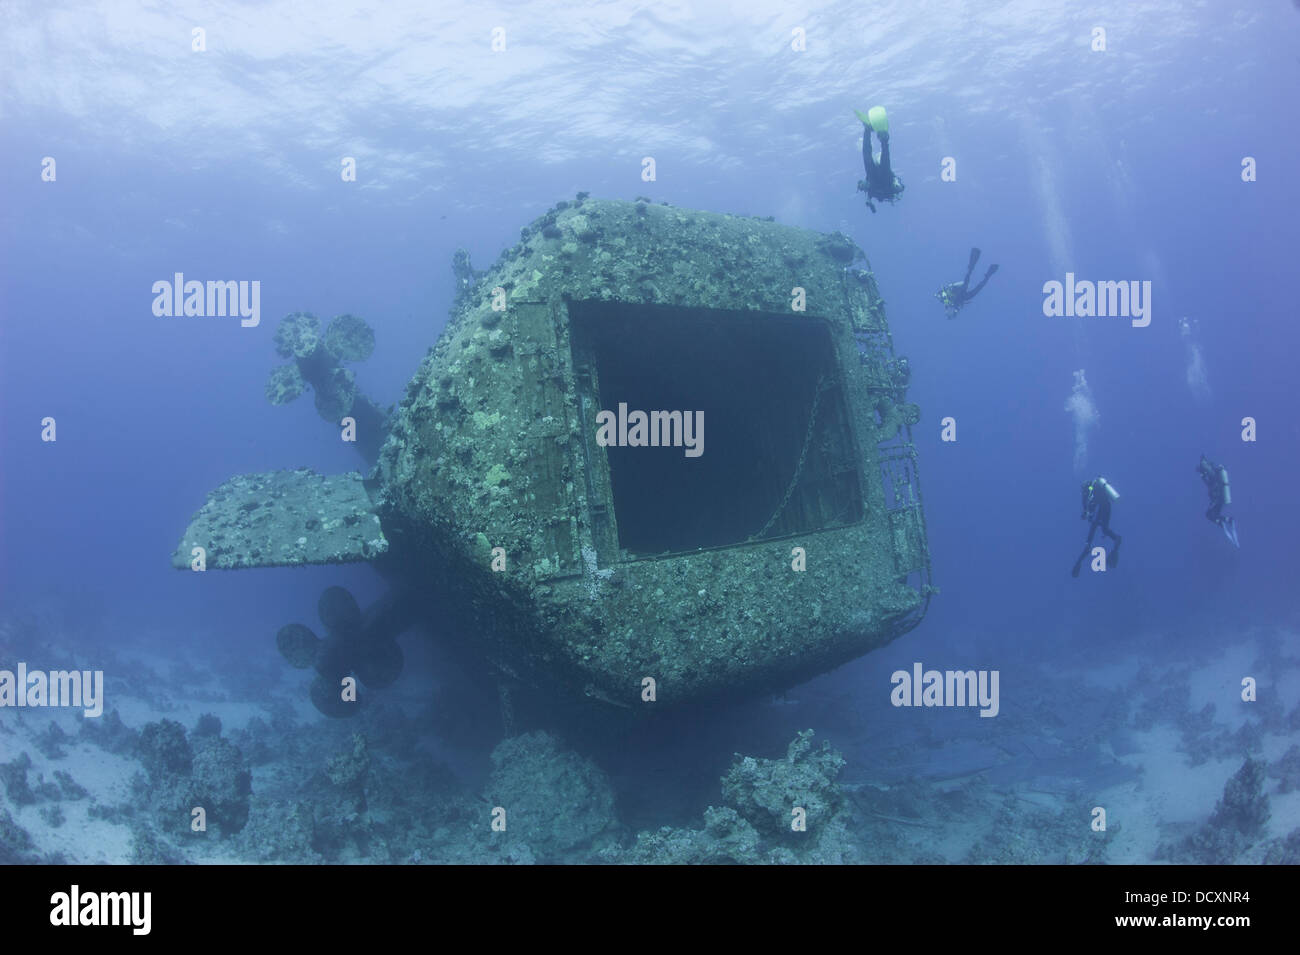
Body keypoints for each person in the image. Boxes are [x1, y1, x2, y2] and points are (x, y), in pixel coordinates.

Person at [855, 106, 905, 213]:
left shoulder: (872, 193)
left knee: (869, 157)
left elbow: (867, 197)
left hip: (875, 179)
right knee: (873, 158)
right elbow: (901, 187)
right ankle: (882, 139)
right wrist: (898, 187)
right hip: (885, 179)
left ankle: (868, 130)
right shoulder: (888, 193)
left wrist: (869, 202)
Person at [1072, 476, 1122, 577]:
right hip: (1105, 508)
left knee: (1093, 537)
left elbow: (1090, 508)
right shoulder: (1094, 491)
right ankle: (1115, 545)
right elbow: (1091, 509)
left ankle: (1079, 562)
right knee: (1104, 530)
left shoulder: (1091, 492)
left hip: (1102, 509)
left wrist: (1087, 513)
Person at [936, 248, 999, 318]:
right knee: (978, 289)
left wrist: (944, 293)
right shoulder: (954, 307)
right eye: (951, 313)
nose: (950, 311)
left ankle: (973, 260)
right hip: (964, 297)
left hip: (959, 292)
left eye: (948, 313)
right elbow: (957, 308)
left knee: (966, 282)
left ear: (946, 312)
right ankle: (989, 273)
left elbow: (940, 294)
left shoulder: (945, 301)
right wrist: (955, 312)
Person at [1197, 455, 1239, 547]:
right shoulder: (1213, 470)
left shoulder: (1209, 472)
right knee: (1214, 514)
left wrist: (1203, 476)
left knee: (1209, 514)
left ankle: (1223, 522)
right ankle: (1228, 520)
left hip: (1217, 497)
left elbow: (1210, 484)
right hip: (1221, 497)